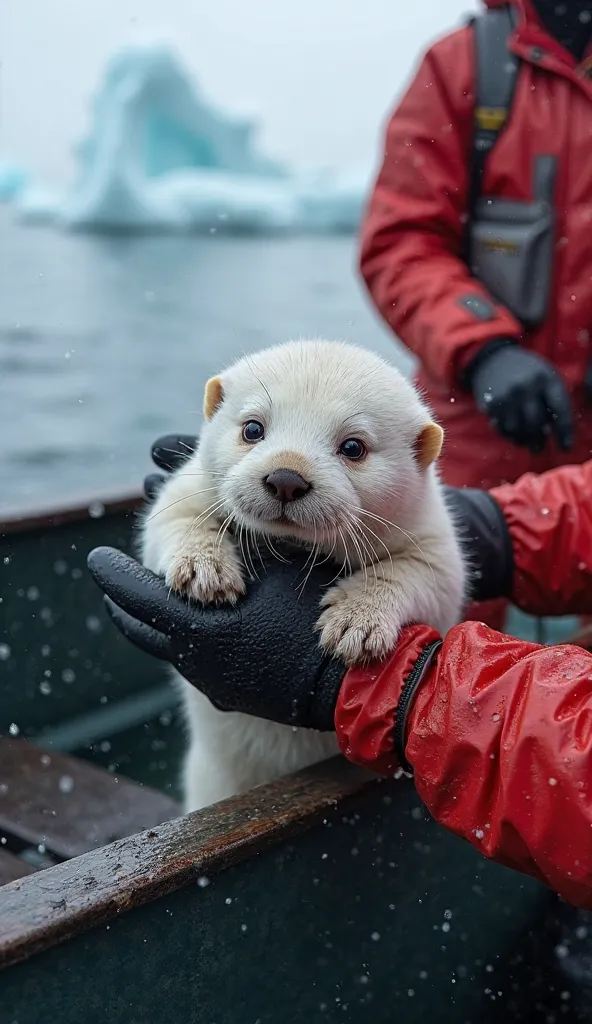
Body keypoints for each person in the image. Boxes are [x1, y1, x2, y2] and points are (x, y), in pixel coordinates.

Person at [88, 433, 592, 910]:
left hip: (361, 773)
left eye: (351, 449)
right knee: (221, 843)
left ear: (422, 449)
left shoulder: (420, 508)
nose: (286, 473)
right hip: (228, 779)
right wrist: (504, 528)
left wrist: (401, 679)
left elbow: (437, 572)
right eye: (253, 431)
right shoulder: (211, 473)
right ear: (214, 410)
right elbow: (171, 520)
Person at [359, 0, 592, 626]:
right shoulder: (461, 65)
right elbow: (399, 240)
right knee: (417, 626)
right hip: (469, 422)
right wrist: (485, 349)